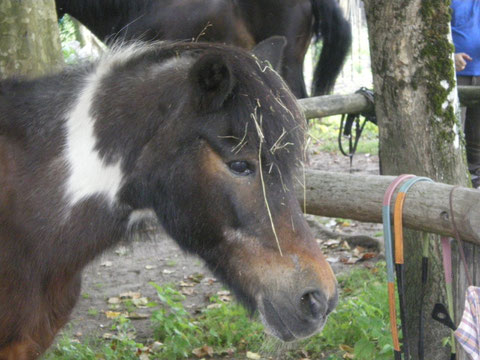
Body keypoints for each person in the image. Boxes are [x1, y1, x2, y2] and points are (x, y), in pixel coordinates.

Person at [451, 0, 480, 188]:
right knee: (454, 137)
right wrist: (449, 55)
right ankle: (456, 184)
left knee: (477, 140)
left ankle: (475, 183)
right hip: (455, 76)